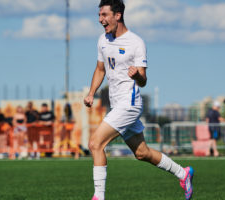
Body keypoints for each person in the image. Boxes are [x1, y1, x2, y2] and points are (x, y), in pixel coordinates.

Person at [83, 1, 194, 200]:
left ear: (118, 15)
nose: (101, 20)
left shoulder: (136, 42)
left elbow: (143, 81)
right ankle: (183, 173)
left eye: (105, 15)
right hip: (117, 105)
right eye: (99, 15)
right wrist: (92, 92)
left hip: (130, 105)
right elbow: (100, 69)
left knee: (95, 143)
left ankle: (98, 197)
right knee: (142, 153)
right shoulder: (102, 40)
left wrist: (137, 76)